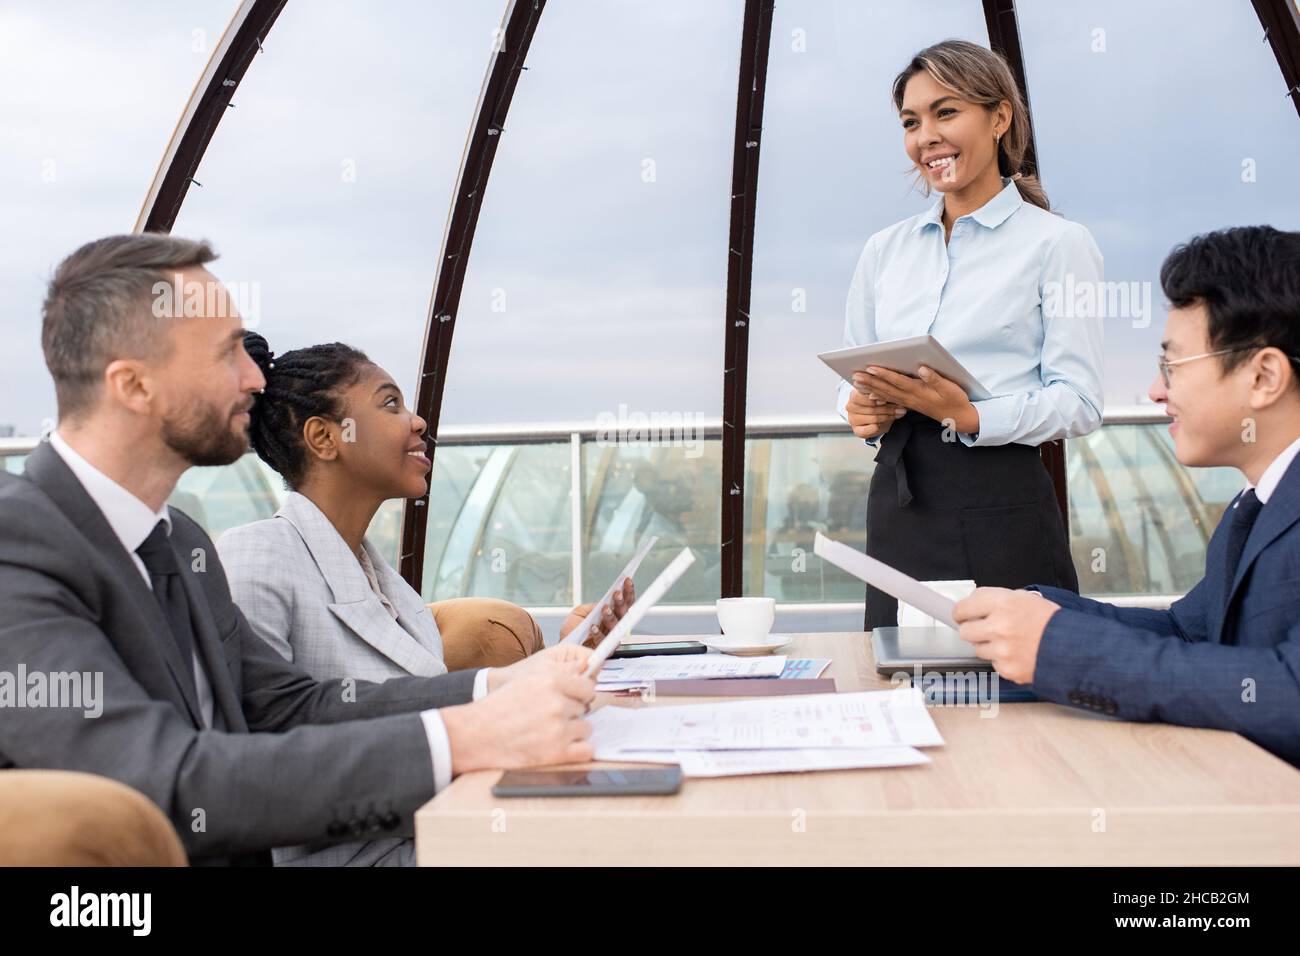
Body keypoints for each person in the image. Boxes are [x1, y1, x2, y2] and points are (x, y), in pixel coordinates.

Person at [0, 233, 613, 865]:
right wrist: (462, 739)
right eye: (225, 353)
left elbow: (290, 706)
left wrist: (498, 688)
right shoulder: (15, 548)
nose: (254, 376)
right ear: (133, 385)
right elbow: (161, 782)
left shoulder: (179, 542)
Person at [217, 332, 635, 864]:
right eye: (389, 404)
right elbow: (258, 752)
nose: (417, 422)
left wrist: (565, 656)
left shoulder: (389, 587)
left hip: (437, 828)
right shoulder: (258, 555)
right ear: (324, 438)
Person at [954, 226, 1300, 768]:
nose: (1156, 391)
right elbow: (1188, 632)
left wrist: (1059, 647)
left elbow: (1288, 694)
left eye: (1173, 365)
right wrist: (1040, 609)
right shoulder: (1256, 506)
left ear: (1264, 377)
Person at [837, 39, 1104, 628]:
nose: (925, 135)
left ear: (1000, 117)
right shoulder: (883, 252)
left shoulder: (1058, 244)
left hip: (1001, 503)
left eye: (946, 112)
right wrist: (861, 409)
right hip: (901, 499)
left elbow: (1080, 403)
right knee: (903, 678)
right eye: (911, 121)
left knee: (1016, 681)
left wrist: (972, 415)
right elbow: (854, 378)